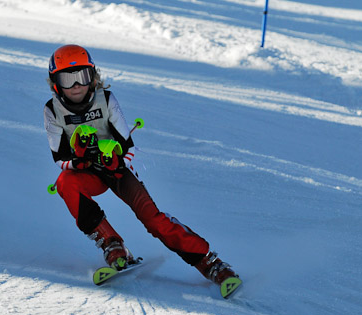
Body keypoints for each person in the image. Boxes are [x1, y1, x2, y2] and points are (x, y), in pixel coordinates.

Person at [43, 44, 239, 290]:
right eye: (67, 79)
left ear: (92, 77)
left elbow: (128, 146)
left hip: (117, 171)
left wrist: (116, 161)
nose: (76, 86)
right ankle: (111, 244)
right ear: (55, 83)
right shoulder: (52, 110)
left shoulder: (106, 100)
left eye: (81, 77)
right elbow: (60, 158)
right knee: (65, 183)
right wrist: (81, 161)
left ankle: (210, 262)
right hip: (86, 173)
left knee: (152, 219)